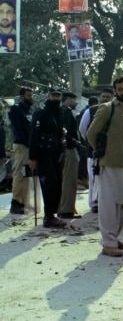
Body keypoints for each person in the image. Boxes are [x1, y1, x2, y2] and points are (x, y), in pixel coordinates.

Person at [86, 76, 123, 257]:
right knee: (108, 204)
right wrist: (101, 152)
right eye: (120, 89)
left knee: (122, 203)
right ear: (115, 91)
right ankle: (108, 243)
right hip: (109, 163)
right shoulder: (107, 108)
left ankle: (114, 237)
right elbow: (91, 133)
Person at [27, 87, 67, 228]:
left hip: (57, 153)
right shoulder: (41, 113)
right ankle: (48, 216)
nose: (56, 97)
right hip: (44, 154)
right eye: (54, 95)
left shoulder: (60, 112)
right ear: (49, 96)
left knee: (58, 184)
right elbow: (34, 135)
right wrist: (32, 157)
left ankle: (53, 214)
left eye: (58, 95)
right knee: (49, 184)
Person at [79, 88, 113, 214]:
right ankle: (94, 203)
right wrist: (91, 144)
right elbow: (83, 129)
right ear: (100, 97)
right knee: (93, 177)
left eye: (107, 97)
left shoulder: (115, 111)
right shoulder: (91, 111)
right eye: (103, 96)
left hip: (110, 152)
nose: (105, 99)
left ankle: (107, 202)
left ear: (112, 98)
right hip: (93, 151)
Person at [8, 87, 34, 215]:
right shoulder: (16, 109)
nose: (31, 98)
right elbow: (18, 129)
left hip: (28, 146)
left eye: (31, 95)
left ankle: (24, 201)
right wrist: (27, 142)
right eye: (28, 95)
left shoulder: (28, 110)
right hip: (21, 145)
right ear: (22, 96)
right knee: (19, 173)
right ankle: (16, 202)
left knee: (27, 174)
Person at [57, 91, 81, 219]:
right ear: (68, 100)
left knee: (66, 180)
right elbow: (67, 133)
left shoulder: (62, 111)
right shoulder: (65, 112)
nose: (76, 102)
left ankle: (64, 208)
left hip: (66, 149)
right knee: (69, 181)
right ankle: (66, 210)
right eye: (74, 99)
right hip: (69, 150)